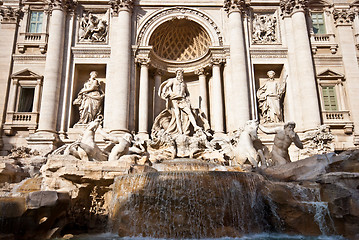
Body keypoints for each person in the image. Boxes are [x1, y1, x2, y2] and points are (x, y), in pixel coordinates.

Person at [159, 69, 200, 135]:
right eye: (178, 73)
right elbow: (166, 87)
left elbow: (187, 93)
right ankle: (180, 131)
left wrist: (188, 99)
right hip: (174, 99)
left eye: (180, 73)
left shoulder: (184, 83)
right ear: (176, 74)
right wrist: (164, 92)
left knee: (189, 112)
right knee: (177, 114)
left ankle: (195, 126)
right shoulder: (173, 80)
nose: (179, 74)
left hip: (182, 100)